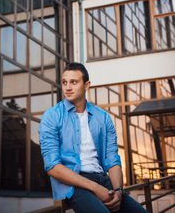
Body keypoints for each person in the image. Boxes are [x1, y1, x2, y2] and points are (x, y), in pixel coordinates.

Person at [38, 62, 147, 213]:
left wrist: (118, 191)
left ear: (87, 85)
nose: (67, 87)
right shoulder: (51, 117)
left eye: (74, 82)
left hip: (104, 180)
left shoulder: (102, 117)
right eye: (64, 82)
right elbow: (52, 166)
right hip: (75, 183)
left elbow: (112, 159)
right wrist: (95, 188)